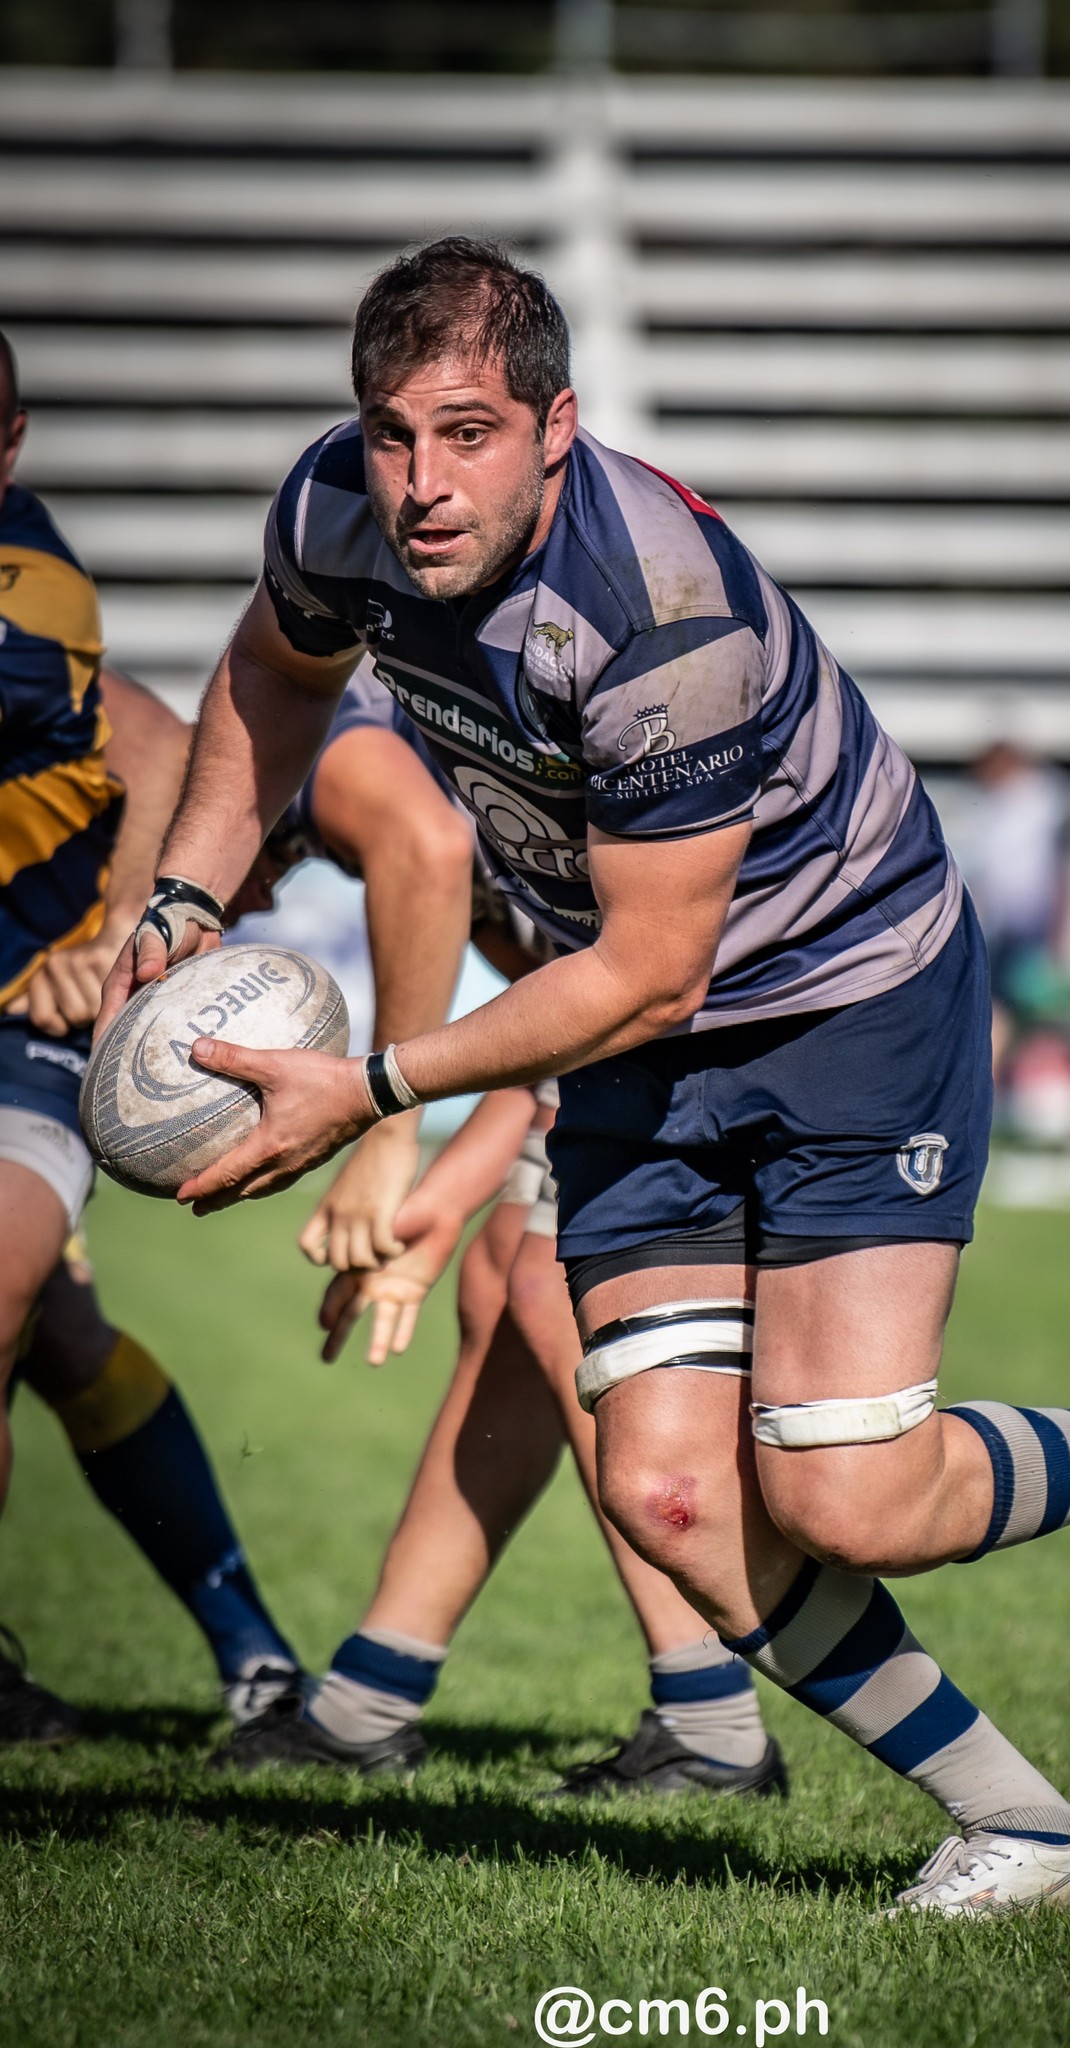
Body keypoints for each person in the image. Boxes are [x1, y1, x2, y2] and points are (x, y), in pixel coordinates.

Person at [100, 240, 1070, 1916]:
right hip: (636, 1032)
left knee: (850, 1493)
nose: (419, 483)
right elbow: (272, 670)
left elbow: (650, 966)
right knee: (670, 1493)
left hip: (841, 999)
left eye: (467, 434)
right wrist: (184, 894)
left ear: (555, 427)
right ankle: (1033, 1833)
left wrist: (377, 1092)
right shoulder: (333, 510)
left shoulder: (655, 610)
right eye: (392, 434)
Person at [211, 672, 786, 1794]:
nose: (238, 920)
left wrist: (388, 1143)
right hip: (655, 1028)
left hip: (741, 1018)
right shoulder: (368, 783)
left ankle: (714, 1720)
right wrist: (438, 1212)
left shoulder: (324, 754)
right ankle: (367, 1703)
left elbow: (428, 848)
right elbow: (555, 1044)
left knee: (547, 1293)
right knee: (504, 1293)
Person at [0, 331, 300, 1738]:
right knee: (60, 1337)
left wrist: (114, 928)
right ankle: (256, 1655)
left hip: (21, 1020)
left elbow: (158, 741)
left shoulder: (27, 594)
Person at [963, 740, 1070, 1147]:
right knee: (996, 1027)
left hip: (1042, 935)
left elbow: (1065, 874)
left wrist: (1061, 941)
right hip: (1008, 935)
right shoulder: (999, 809)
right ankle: (984, 1121)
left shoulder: (1047, 804)